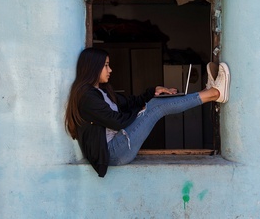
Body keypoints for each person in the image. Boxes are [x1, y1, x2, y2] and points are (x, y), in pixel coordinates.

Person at [64, 47, 230, 177]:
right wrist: (142, 111)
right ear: (94, 67)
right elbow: (116, 121)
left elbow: (129, 102)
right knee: (156, 107)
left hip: (118, 143)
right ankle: (214, 93)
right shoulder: (87, 96)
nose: (110, 70)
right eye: (106, 65)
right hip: (113, 153)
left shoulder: (101, 91)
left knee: (155, 103)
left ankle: (209, 93)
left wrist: (152, 92)